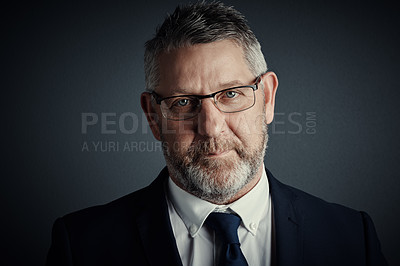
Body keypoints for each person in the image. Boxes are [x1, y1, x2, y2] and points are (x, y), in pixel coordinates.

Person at [46, 2, 387, 265]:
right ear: (153, 115)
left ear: (267, 98)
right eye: (183, 102)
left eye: (231, 94)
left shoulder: (352, 238)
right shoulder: (82, 245)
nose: (210, 126)